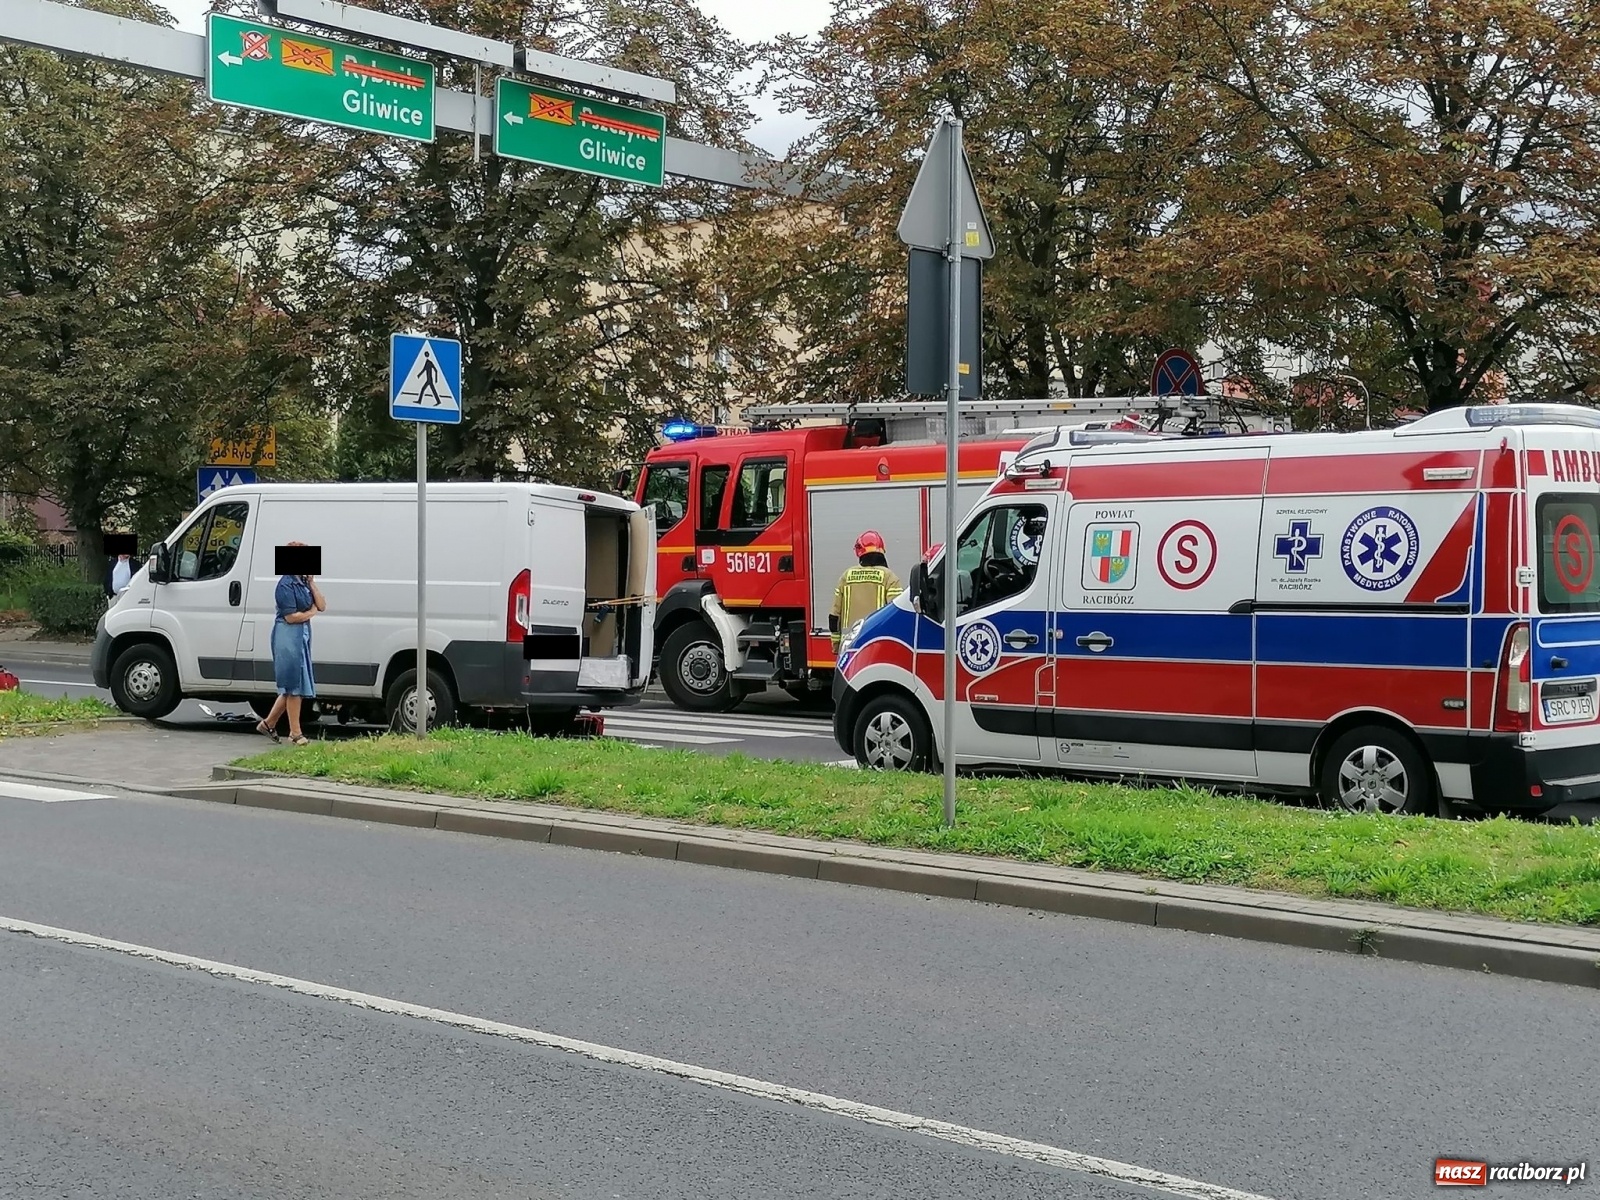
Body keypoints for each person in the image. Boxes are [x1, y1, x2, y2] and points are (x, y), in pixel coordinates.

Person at [257, 542, 325, 745]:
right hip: (287, 637)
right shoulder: (285, 585)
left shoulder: (303, 582)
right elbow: (290, 617)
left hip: (301, 636)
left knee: (294, 685)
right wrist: (310, 613)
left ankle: (268, 723)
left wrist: (312, 583)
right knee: (294, 685)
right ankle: (296, 733)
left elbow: (321, 605)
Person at [829, 530, 903, 651]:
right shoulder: (890, 577)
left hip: (849, 646)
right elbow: (896, 615)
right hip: (876, 645)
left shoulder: (846, 576)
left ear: (859, 552)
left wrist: (836, 645)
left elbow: (834, 616)